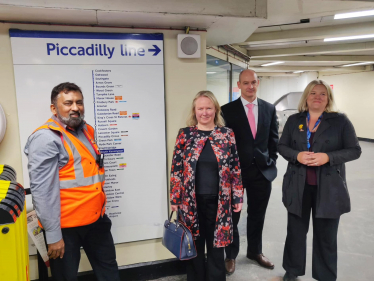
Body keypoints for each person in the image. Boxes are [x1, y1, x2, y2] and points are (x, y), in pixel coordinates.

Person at [24, 82, 120, 281]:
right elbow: (43, 192)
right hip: (65, 228)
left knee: (109, 271)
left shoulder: (86, 131)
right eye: (68, 103)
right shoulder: (45, 138)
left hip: (96, 220)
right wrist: (53, 235)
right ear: (54, 108)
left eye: (79, 102)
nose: (75, 108)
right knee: (65, 277)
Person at [279, 80, 361, 281]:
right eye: (313, 93)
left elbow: (354, 150)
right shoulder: (294, 120)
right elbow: (282, 146)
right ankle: (292, 271)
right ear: (306, 97)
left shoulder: (341, 121)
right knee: (295, 233)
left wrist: (328, 157)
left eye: (322, 94)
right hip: (298, 186)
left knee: (326, 236)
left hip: (329, 188)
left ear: (328, 99)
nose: (317, 97)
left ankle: (325, 277)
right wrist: (297, 155)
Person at [170, 91, 244, 281]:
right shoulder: (185, 135)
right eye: (200, 108)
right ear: (195, 111)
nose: (205, 112)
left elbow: (235, 168)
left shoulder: (227, 134)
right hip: (190, 203)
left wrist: (237, 197)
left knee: (216, 248)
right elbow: (176, 169)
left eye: (209, 108)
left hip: (220, 203)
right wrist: (175, 199)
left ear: (216, 110)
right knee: (193, 248)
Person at [221, 69, 278, 274]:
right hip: (235, 173)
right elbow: (223, 144)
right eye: (245, 83)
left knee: (257, 214)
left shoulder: (269, 109)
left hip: (262, 172)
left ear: (258, 82)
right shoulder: (227, 110)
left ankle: (255, 251)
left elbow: (273, 140)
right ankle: (230, 255)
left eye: (253, 82)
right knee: (232, 216)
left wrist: (271, 160)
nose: (250, 86)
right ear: (239, 85)